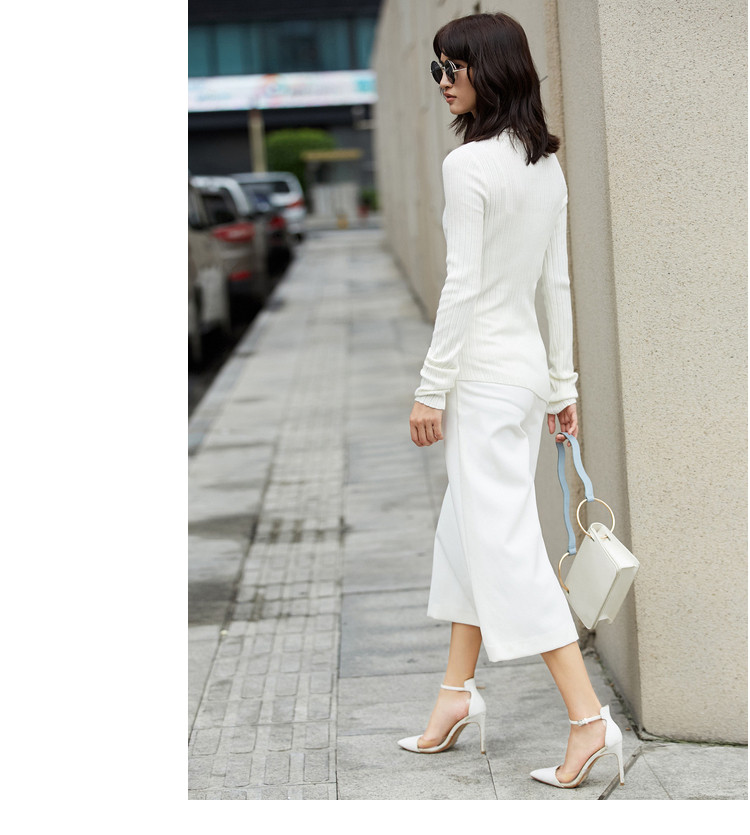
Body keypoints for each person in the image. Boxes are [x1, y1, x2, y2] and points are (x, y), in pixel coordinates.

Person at [399, 12, 625, 790]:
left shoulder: (468, 167)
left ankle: (587, 718)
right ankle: (455, 694)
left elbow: (463, 285)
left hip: (485, 379)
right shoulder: (543, 165)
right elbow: (554, 284)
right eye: (436, 68)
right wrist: (561, 386)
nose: (442, 81)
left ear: (490, 70)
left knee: (504, 543)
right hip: (522, 377)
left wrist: (431, 388)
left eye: (453, 67)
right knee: (469, 526)